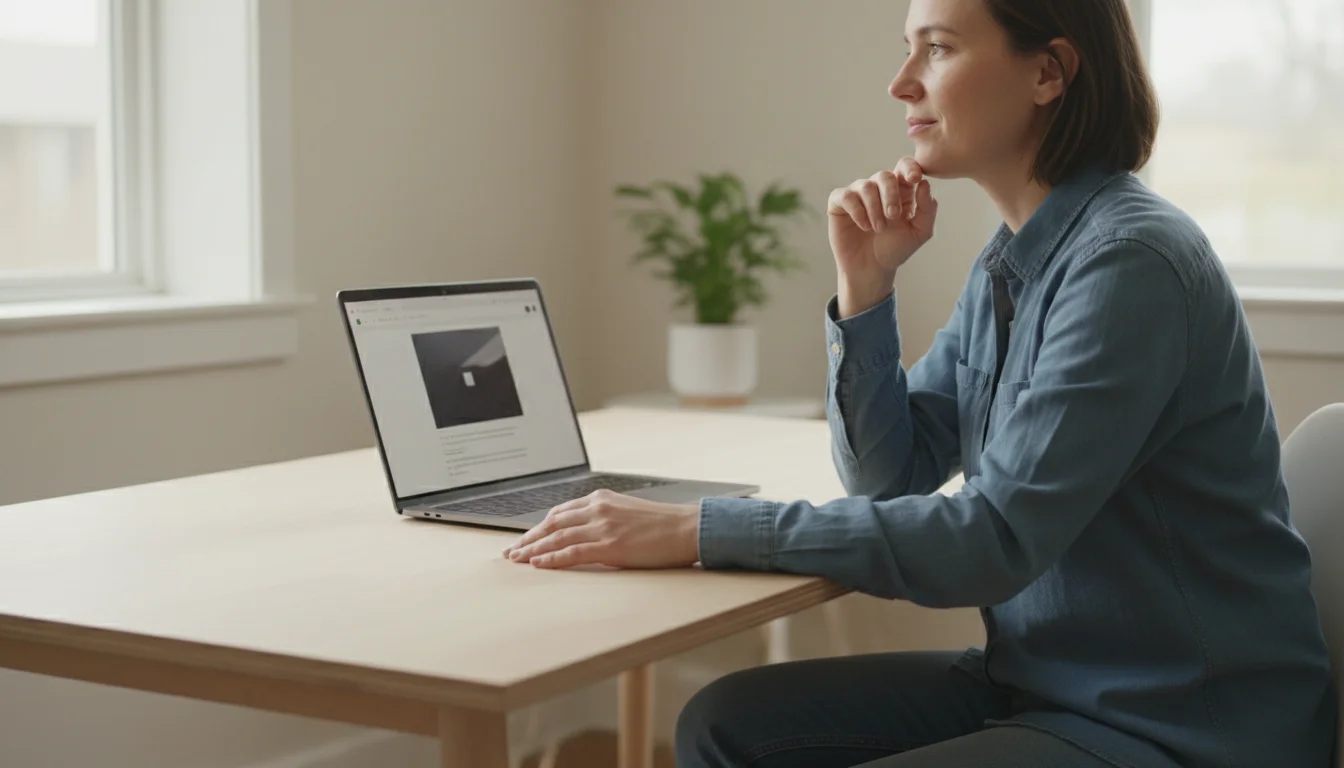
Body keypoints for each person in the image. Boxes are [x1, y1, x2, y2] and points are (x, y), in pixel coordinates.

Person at [502, 0, 1338, 765]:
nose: (901, 83)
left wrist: (697, 529)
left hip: (1179, 724)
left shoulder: (1129, 265)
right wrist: (866, 289)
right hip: (1042, 682)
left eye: (936, 49)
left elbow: (992, 541)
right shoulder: (1012, 261)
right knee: (721, 727)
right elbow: (890, 476)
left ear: (1048, 72)